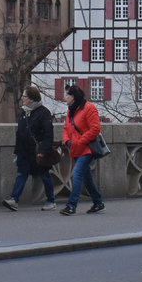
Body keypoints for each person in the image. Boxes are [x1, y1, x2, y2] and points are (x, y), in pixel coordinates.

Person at [2, 86, 57, 211]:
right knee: (21, 174)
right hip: (24, 151)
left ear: (32, 98)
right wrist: (17, 151)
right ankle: (14, 199)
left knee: (45, 175)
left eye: (24, 96)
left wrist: (43, 151)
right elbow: (19, 133)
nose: (22, 98)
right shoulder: (24, 112)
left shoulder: (44, 112)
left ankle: (51, 200)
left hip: (38, 152)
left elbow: (48, 135)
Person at [60, 84, 105, 216]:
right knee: (86, 177)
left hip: (87, 149)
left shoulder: (89, 108)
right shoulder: (70, 110)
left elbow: (95, 128)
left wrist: (80, 141)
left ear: (73, 97)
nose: (64, 97)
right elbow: (66, 128)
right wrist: (67, 140)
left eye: (66, 95)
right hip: (75, 148)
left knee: (77, 174)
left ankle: (71, 205)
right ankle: (98, 202)